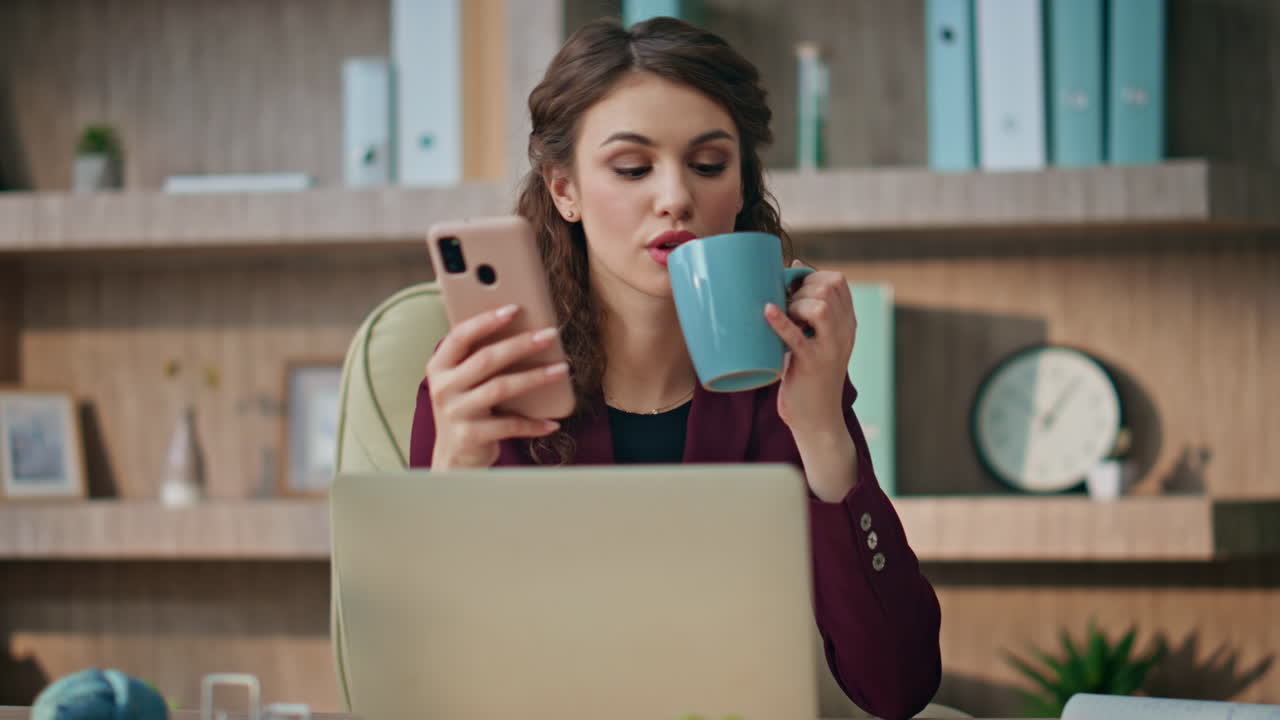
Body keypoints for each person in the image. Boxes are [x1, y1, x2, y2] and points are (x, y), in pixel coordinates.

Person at [409, 16, 941, 720]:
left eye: (709, 164)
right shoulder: (488, 390)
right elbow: (424, 682)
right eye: (632, 168)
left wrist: (821, 434)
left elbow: (898, 687)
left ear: (743, 185)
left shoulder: (791, 386)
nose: (675, 198)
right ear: (563, 189)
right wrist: (451, 482)